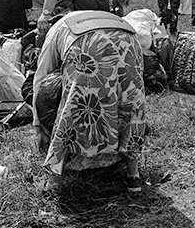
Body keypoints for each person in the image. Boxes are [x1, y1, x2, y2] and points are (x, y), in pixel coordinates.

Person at [32, 10, 148, 193]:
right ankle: (133, 177)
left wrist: (38, 125)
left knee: (72, 104)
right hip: (129, 40)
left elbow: (40, 77)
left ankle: (53, 181)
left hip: (85, 44)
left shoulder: (56, 29)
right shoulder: (91, 15)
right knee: (130, 103)